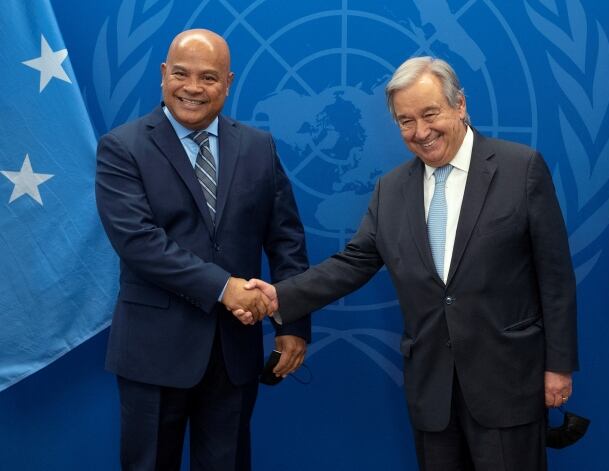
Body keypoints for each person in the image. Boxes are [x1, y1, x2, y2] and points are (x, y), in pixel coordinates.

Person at [237, 56, 578, 470]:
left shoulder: (520, 169)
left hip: (508, 383)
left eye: (430, 114)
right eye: (405, 121)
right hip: (432, 391)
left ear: (460, 105)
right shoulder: (391, 190)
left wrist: (558, 367)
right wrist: (278, 296)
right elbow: (353, 263)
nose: (420, 132)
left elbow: (555, 277)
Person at [95, 29, 310, 470]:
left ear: (228, 82)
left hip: (233, 356)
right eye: (181, 74)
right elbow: (139, 242)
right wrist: (225, 288)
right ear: (162, 75)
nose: (192, 88)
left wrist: (295, 322)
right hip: (152, 354)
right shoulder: (122, 148)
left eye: (208, 77)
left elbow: (286, 238)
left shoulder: (259, 147)